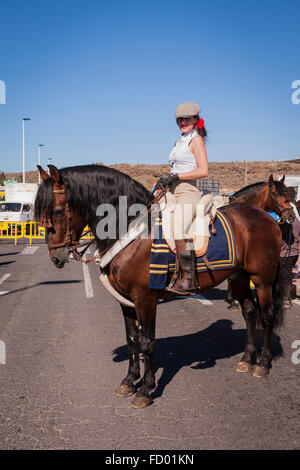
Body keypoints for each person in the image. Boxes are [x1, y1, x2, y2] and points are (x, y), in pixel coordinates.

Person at [154, 101, 208, 295]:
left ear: (195, 119)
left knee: (178, 227)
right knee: (151, 220)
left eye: (186, 119)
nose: (182, 122)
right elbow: (175, 168)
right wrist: (166, 180)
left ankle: (189, 278)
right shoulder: (179, 141)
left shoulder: (196, 140)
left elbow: (203, 170)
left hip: (188, 191)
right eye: (179, 119)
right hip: (172, 190)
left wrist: (177, 177)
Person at [278, 187, 300, 308]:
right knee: (287, 274)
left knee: (284, 275)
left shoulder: (285, 223)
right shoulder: (296, 220)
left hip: (285, 253)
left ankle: (286, 300)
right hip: (294, 252)